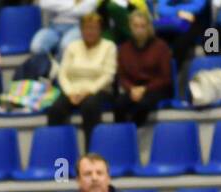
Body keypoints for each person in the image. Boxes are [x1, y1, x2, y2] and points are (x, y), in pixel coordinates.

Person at [45, 13, 117, 150]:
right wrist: (70, 92)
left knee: (90, 106)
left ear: (100, 30)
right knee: (55, 110)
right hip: (72, 90)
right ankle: (60, 157)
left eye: (94, 28)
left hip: (99, 90)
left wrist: (88, 91)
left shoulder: (109, 47)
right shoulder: (72, 46)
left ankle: (90, 155)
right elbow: (63, 73)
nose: (90, 32)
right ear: (81, 30)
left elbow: (108, 76)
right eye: (87, 28)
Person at [114, 7, 172, 128]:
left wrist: (144, 89)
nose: (139, 29)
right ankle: (120, 137)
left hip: (156, 89)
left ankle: (132, 134)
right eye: (136, 26)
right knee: (118, 104)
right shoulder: (124, 48)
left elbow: (165, 78)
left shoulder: (161, 47)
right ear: (130, 26)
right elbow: (122, 76)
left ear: (149, 27)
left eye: (143, 26)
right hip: (133, 89)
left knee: (143, 105)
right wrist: (131, 89)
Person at [31, 0, 96, 58]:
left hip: (76, 27)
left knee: (66, 47)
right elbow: (44, 3)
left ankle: (59, 67)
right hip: (53, 27)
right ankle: (46, 66)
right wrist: (73, 3)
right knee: (36, 47)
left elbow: (86, 9)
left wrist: (57, 5)